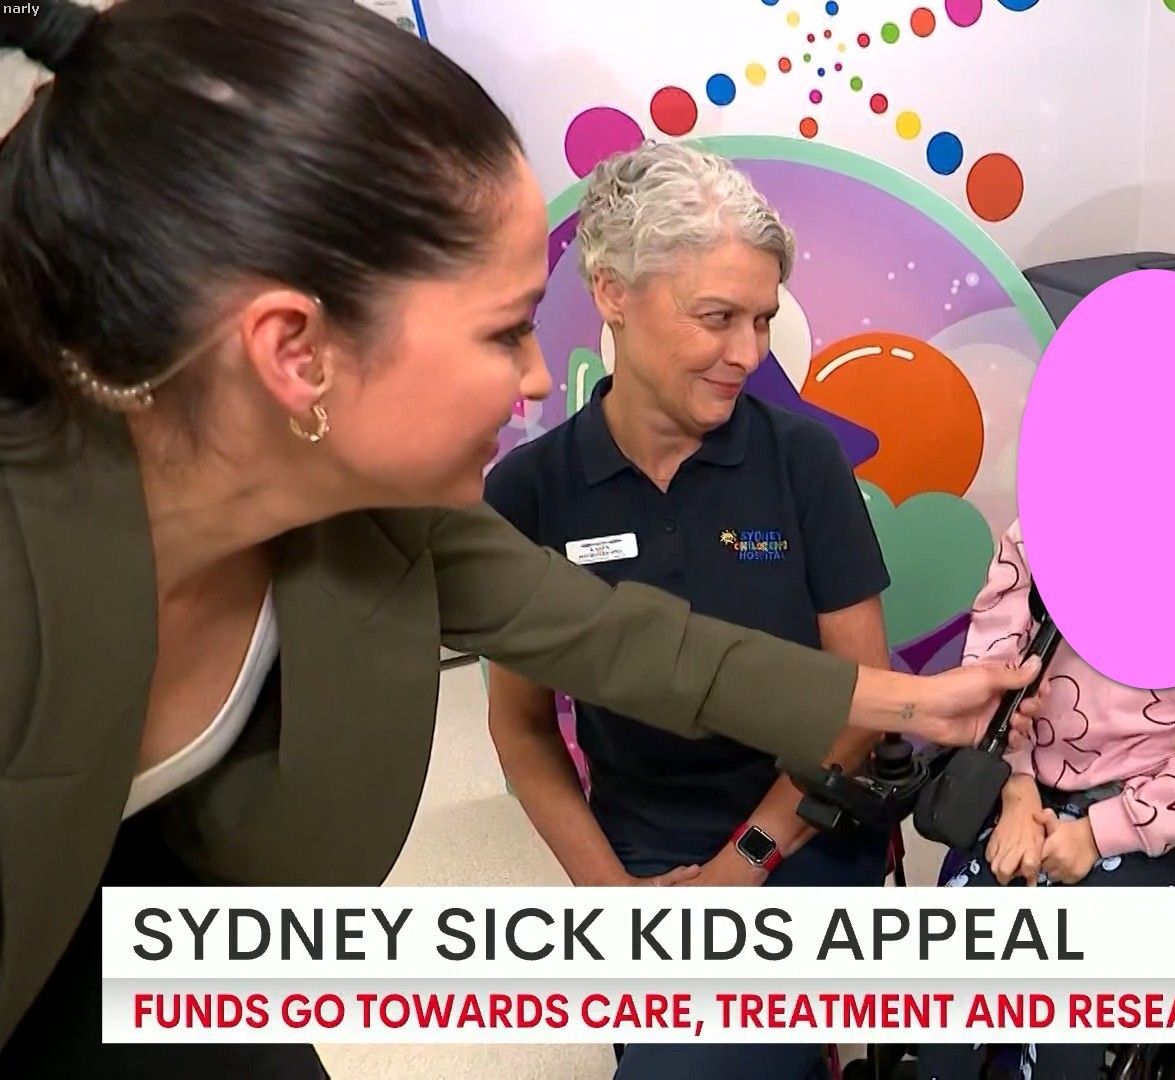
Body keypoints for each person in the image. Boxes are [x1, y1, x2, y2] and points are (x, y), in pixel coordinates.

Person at [0, 1, 1041, 1070]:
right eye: (505, 331)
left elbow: (628, 642)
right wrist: (619, 900)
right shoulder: (29, 573)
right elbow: (531, 725)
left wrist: (914, 705)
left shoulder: (393, 525)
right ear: (296, 353)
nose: (540, 377)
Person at [483, 141, 893, 1079]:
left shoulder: (802, 464)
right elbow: (522, 727)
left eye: (763, 319)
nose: (749, 353)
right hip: (642, 835)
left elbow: (861, 707)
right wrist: (611, 898)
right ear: (612, 293)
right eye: (717, 317)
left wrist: (738, 870)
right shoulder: (533, 492)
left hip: (805, 820)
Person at [916, 519, 1175, 1080]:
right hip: (1028, 774)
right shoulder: (1041, 528)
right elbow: (991, 670)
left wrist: (1099, 834)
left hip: (1156, 805)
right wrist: (1015, 787)